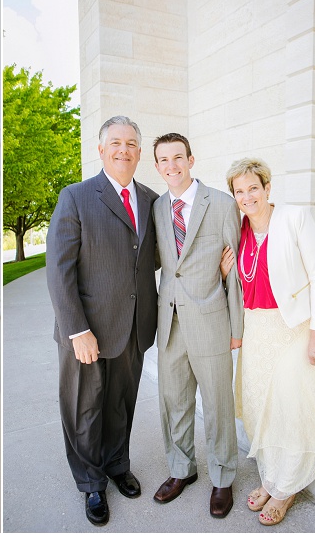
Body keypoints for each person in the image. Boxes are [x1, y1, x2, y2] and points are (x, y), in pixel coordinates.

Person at [220, 157, 315, 526]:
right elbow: (245, 280)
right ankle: (272, 476)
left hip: (293, 328)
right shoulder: (238, 229)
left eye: (253, 187)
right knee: (260, 408)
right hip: (256, 328)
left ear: (267, 188)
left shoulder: (293, 218)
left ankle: (286, 489)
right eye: (240, 191)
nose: (247, 196)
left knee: (291, 407)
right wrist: (228, 273)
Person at [46, 115, 158, 526]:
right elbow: (60, 271)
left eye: (131, 143)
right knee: (85, 408)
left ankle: (115, 464)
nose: (123, 150)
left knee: (120, 404)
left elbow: (155, 256)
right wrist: (77, 329)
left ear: (140, 153)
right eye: (116, 142)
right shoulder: (75, 197)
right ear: (101, 149)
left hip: (133, 325)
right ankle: (91, 483)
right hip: (87, 329)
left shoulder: (149, 198)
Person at [148, 133, 243, 518]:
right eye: (163, 160)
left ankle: (222, 476)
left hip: (211, 320)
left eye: (177, 158)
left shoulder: (220, 204)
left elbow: (234, 273)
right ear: (156, 167)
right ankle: (180, 469)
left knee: (218, 402)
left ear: (190, 159)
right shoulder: (156, 208)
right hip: (169, 322)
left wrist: (237, 329)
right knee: (174, 402)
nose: (171, 166)